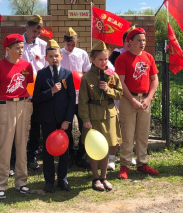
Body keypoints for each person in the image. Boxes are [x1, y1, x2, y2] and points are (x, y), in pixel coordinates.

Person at [0, 34, 34, 199]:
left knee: (22, 146)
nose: (21, 50)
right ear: (7, 49)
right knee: (4, 147)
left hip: (23, 105)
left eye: (22, 47)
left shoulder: (27, 65)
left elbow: (29, 85)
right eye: (17, 47)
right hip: (5, 106)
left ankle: (21, 182)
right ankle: (0, 185)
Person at [115, 27, 159, 179]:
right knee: (127, 133)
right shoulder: (122, 58)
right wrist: (132, 100)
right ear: (130, 42)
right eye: (139, 40)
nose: (142, 43)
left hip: (145, 100)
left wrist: (148, 98)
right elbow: (120, 82)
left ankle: (142, 163)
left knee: (143, 133)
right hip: (128, 100)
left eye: (144, 40)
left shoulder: (148, 57)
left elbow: (155, 80)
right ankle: (125, 165)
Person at [78, 40, 123, 191]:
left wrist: (108, 90)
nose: (104, 62)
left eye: (106, 59)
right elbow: (83, 101)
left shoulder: (111, 74)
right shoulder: (86, 77)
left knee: (107, 147)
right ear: (92, 59)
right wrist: (85, 119)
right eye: (100, 59)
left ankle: (104, 177)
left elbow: (119, 93)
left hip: (109, 113)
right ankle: (95, 177)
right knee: (94, 147)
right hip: (94, 115)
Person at [33, 39, 76, 193]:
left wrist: (67, 120)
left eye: (56, 56)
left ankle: (63, 179)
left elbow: (72, 99)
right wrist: (50, 91)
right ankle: (49, 181)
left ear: (61, 56)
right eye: (50, 56)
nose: (54, 59)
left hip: (62, 121)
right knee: (48, 151)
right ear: (46, 58)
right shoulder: (42, 74)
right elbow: (36, 98)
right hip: (48, 120)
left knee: (64, 151)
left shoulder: (67, 74)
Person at [60, 27, 91, 168]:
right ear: (64, 42)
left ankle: (81, 155)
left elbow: (86, 72)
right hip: (65, 97)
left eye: (73, 44)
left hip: (80, 97)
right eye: (68, 44)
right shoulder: (59, 54)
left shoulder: (82, 54)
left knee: (84, 126)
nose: (71, 47)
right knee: (66, 127)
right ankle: (69, 154)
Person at [107, 25, 136, 171]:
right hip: (119, 97)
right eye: (128, 41)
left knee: (131, 129)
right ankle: (111, 158)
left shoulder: (139, 56)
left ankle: (128, 155)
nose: (131, 44)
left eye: (134, 40)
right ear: (124, 42)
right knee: (117, 127)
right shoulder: (117, 55)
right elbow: (108, 71)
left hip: (134, 97)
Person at [23, 15, 47, 171]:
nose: (35, 35)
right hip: (22, 91)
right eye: (33, 31)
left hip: (39, 92)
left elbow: (46, 66)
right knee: (21, 127)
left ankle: (32, 156)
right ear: (27, 27)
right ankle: (17, 158)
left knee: (36, 126)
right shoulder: (18, 43)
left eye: (38, 32)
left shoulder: (43, 45)